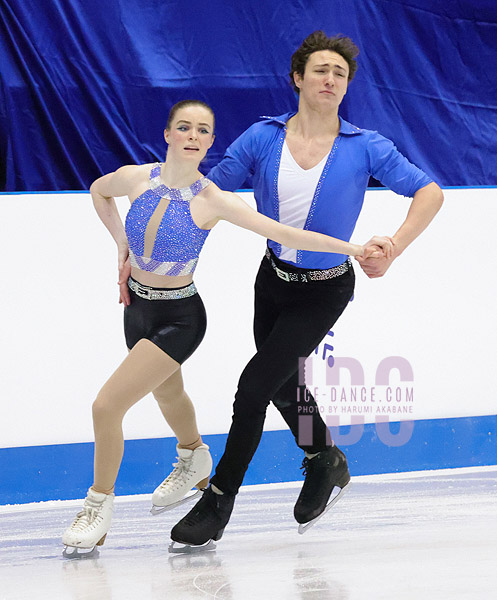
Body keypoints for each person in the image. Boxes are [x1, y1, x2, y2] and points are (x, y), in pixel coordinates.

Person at [61, 98, 392, 557]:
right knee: (168, 394)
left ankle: (97, 508)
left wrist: (353, 248)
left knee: (106, 406)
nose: (193, 136)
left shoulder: (212, 199)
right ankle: (193, 453)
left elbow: (286, 234)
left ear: (211, 142)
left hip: (180, 317)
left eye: (203, 130)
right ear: (168, 134)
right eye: (184, 127)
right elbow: (99, 191)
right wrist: (120, 244)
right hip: (136, 308)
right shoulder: (136, 177)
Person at [168, 32, 444, 550]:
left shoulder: (367, 147)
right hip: (271, 281)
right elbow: (210, 191)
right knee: (278, 384)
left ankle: (219, 500)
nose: (330, 79)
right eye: (320, 70)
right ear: (298, 78)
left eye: (340, 74)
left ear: (346, 87)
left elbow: (429, 192)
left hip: (324, 289)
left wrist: (395, 246)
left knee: (252, 388)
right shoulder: (263, 137)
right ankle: (326, 459)